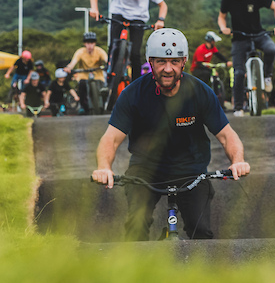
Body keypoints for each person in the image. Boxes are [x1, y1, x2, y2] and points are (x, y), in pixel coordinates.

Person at [91, 29, 250, 240]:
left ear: (184, 62)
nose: (168, 69)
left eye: (174, 62)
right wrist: (104, 167)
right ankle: (135, 272)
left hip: (191, 171)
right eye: (161, 62)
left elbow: (227, 135)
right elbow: (110, 138)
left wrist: (237, 161)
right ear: (150, 61)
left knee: (201, 231)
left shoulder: (200, 92)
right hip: (145, 171)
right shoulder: (133, 94)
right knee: (136, 226)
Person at [89, 0, 167, 84]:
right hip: (119, 13)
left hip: (139, 17)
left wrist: (160, 20)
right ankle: (109, 79)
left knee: (136, 53)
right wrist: (94, 8)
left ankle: (136, 85)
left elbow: (163, 5)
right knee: (114, 45)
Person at [218, 0, 275, 115]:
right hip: (239, 38)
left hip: (259, 34)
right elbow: (221, 17)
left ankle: (267, 76)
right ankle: (239, 107)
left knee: (271, 49)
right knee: (239, 73)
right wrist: (224, 28)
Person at [65, 32, 108, 114]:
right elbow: (73, 62)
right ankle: (82, 106)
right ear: (84, 44)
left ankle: (104, 103)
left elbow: (107, 60)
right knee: (82, 86)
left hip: (98, 75)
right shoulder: (80, 52)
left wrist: (109, 65)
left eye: (92, 43)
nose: (90, 46)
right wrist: (68, 68)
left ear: (94, 43)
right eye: (88, 43)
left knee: (104, 88)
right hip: (83, 75)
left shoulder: (99, 51)